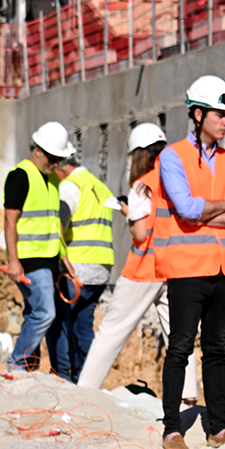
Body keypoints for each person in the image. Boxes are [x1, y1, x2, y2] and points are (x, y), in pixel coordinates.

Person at [154, 74, 225, 449]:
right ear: (197, 115)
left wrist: (206, 210)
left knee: (216, 349)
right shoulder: (172, 156)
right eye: (220, 114)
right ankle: (171, 429)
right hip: (186, 269)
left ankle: (217, 427)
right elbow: (186, 208)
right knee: (179, 348)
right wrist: (222, 208)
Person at [77, 123, 172, 389]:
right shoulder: (172, 180)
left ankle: (85, 389)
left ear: (139, 154)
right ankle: (188, 397)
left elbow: (141, 233)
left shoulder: (142, 186)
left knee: (111, 332)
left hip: (142, 270)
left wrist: (126, 212)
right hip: (171, 268)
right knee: (177, 338)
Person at [2, 122, 77, 372]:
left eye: (59, 159)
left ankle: (29, 366)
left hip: (48, 258)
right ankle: (17, 364)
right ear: (38, 151)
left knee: (34, 312)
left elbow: (53, 221)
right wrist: (14, 260)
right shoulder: (20, 176)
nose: (55, 165)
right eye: (53, 159)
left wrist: (63, 255)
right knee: (45, 313)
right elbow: (10, 221)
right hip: (29, 259)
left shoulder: (51, 178)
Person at [50, 148, 119, 377]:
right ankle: (86, 379)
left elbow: (59, 225)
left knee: (59, 321)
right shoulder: (98, 185)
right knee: (83, 324)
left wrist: (63, 258)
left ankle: (63, 377)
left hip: (77, 267)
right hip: (100, 268)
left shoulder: (71, 186)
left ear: (60, 165)